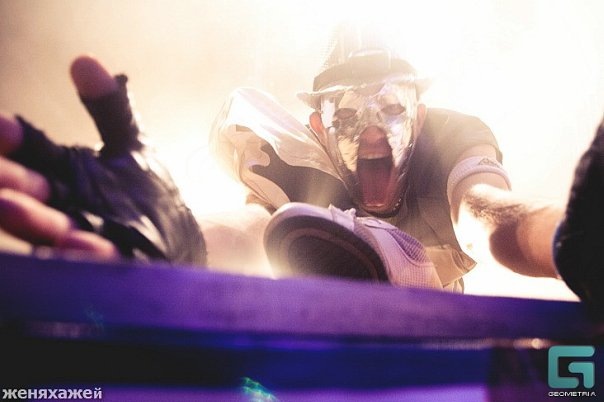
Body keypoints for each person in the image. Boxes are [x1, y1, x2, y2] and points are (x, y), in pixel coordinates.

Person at [0, 29, 602, 309]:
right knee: (288, 225)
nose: (372, 129)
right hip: (332, 306)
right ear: (317, 126)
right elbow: (251, 231)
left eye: (391, 106)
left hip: (437, 298)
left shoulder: (451, 139)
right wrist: (184, 246)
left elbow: (487, 216)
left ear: (420, 115)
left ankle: (398, 266)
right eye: (348, 111)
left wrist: (566, 241)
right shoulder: (296, 165)